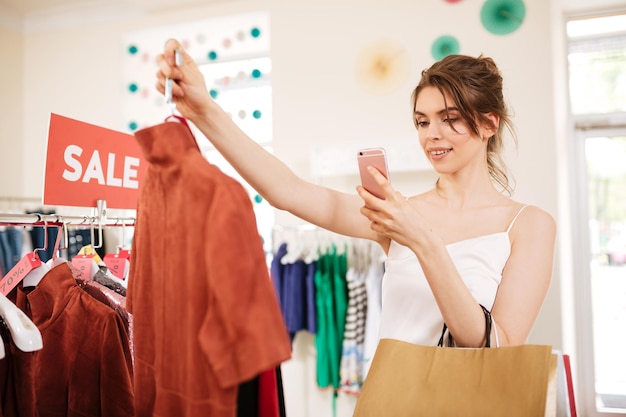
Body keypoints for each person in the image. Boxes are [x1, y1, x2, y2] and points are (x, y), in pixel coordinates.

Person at [155, 39, 556, 349]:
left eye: (450, 119)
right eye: (422, 121)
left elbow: (490, 345)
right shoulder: (395, 214)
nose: (432, 134)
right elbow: (287, 191)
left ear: (488, 124)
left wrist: (424, 242)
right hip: (391, 399)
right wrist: (203, 110)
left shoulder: (528, 226)